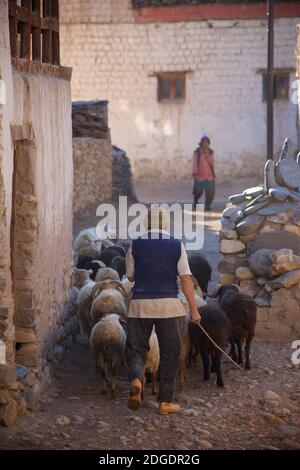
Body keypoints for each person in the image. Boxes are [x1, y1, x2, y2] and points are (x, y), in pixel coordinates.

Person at [125, 205, 201, 415]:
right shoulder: (176, 245)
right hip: (170, 307)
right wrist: (194, 310)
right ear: (166, 223)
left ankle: (136, 382)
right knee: (170, 354)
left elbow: (130, 276)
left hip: (140, 305)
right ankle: (165, 403)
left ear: (146, 223)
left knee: (135, 349)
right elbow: (186, 279)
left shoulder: (135, 244)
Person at [192, 135, 216, 211]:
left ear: (208, 143)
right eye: (204, 142)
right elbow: (195, 163)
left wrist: (207, 155)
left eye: (207, 142)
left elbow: (212, 163)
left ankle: (208, 205)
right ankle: (196, 201)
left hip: (209, 176)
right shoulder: (197, 152)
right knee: (198, 191)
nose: (205, 144)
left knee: (210, 192)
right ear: (201, 143)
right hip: (200, 176)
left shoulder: (211, 152)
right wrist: (195, 173)